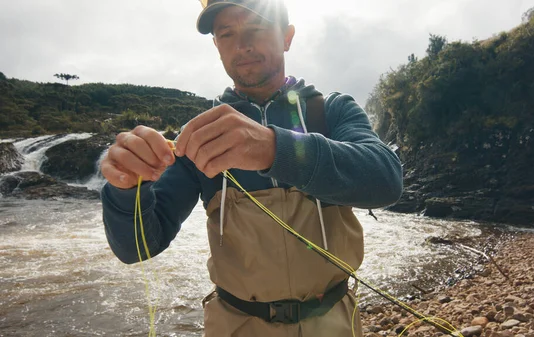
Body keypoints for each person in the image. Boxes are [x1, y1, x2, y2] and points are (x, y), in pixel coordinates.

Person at [100, 0, 403, 336]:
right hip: (236, 326)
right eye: (226, 34)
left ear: (287, 37)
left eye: (256, 28)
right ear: (216, 47)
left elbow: (387, 180)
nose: (242, 45)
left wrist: (273, 149)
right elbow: (136, 247)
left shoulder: (331, 111)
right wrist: (126, 188)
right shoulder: (200, 136)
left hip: (333, 322)